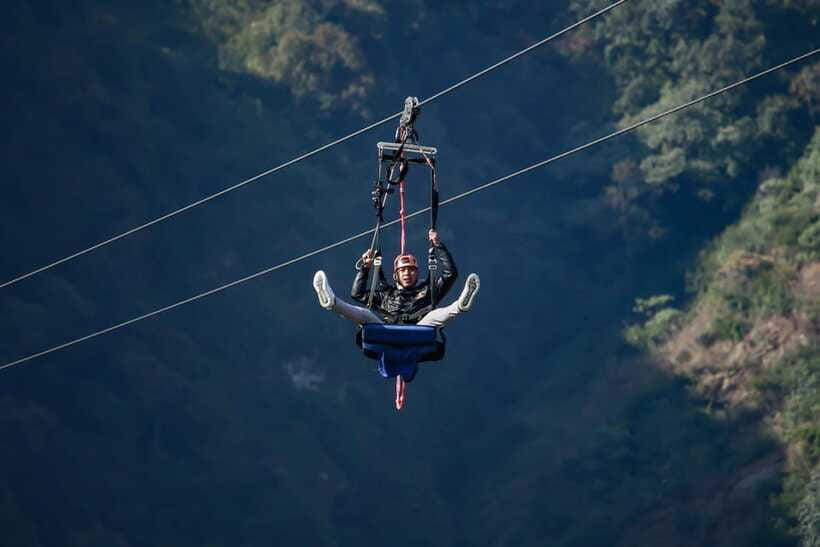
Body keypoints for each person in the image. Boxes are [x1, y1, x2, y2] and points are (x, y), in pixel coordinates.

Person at [313, 229, 479, 327]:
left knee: (437, 315)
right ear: (396, 275)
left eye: (411, 271)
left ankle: (460, 306)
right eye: (403, 271)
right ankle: (331, 302)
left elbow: (450, 274)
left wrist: (438, 246)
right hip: (386, 330)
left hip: (419, 329)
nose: (407, 274)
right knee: (364, 315)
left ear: (417, 273)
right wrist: (365, 268)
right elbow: (357, 294)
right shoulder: (386, 294)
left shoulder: (428, 291)